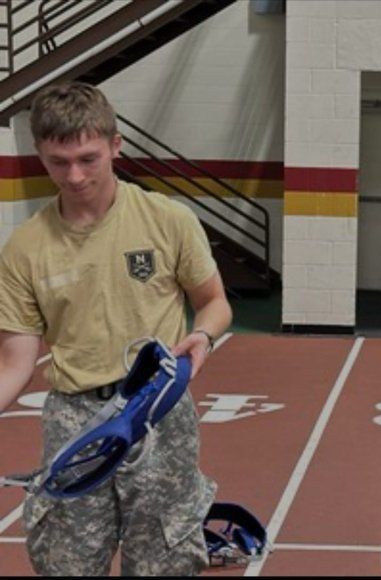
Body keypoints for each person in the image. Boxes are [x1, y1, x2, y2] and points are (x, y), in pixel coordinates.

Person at [0, 81, 232, 575]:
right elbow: (15, 362)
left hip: (157, 409)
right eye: (58, 162)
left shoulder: (167, 219)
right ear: (39, 154)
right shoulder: (25, 248)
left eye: (89, 158)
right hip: (73, 418)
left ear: (115, 145)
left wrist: (204, 335)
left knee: (165, 559)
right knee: (67, 563)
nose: (75, 175)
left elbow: (213, 302)